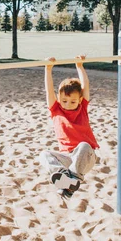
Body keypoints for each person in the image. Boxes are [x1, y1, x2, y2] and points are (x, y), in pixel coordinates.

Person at [39, 56, 99, 199]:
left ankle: (74, 179)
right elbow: (49, 91)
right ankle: (65, 179)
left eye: (73, 101)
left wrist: (79, 66)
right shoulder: (56, 110)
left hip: (86, 157)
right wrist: (48, 69)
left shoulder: (82, 108)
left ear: (79, 100)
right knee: (44, 155)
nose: (68, 104)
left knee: (84, 145)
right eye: (64, 100)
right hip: (67, 158)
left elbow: (86, 86)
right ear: (59, 99)